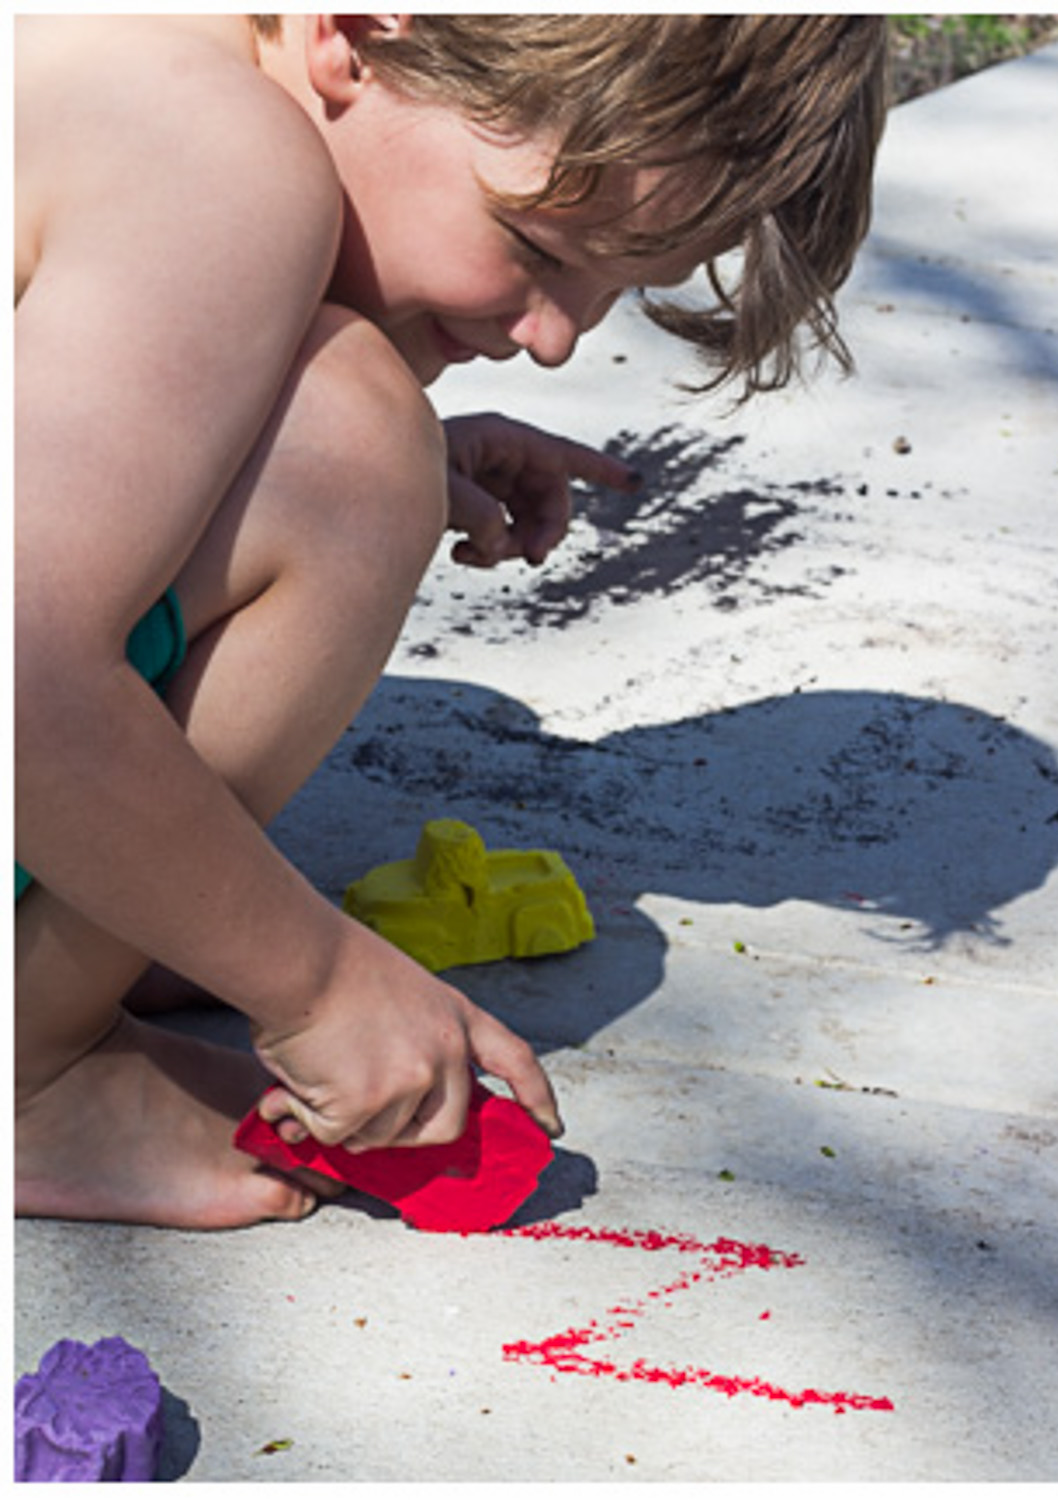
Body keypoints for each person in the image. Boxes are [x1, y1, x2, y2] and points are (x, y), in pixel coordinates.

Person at [16, 15, 887, 1227]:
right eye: (534, 244)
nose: (552, 336)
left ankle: (109, 931)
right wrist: (315, 983)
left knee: (359, 442)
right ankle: (32, 1065)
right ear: (357, 36)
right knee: (355, 445)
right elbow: (26, 669)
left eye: (609, 291)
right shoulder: (215, 153)